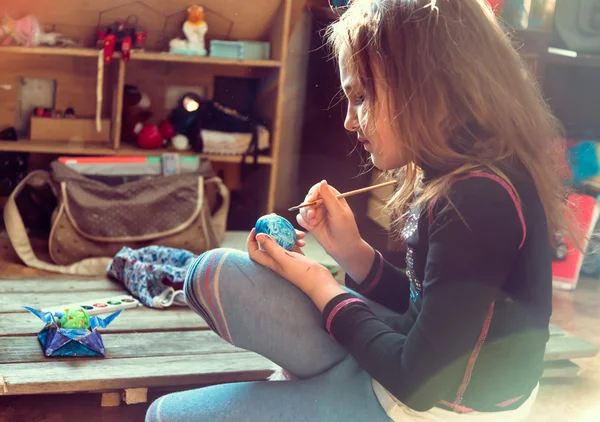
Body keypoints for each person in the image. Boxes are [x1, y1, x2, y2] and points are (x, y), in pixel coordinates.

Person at [146, 0, 570, 420]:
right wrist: (353, 254)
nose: (350, 121)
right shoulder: (462, 173)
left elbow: (418, 384)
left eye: (361, 97)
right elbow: (434, 308)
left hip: (436, 408)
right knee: (211, 272)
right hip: (414, 368)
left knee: (165, 416)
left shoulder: (481, 199)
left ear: (428, 84)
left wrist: (318, 284)